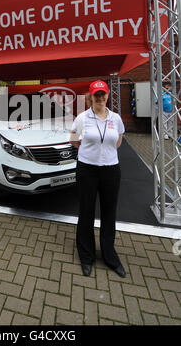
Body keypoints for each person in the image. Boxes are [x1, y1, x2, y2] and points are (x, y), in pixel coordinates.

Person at [70, 80, 126, 278]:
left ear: (108, 95)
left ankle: (110, 256)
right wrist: (91, 153)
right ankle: (86, 256)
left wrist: (103, 153)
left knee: (109, 212)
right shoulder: (82, 118)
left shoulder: (116, 118)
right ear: (90, 97)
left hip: (110, 169)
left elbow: (117, 142)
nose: (100, 98)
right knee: (86, 211)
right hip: (87, 169)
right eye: (96, 94)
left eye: (103, 94)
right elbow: (74, 140)